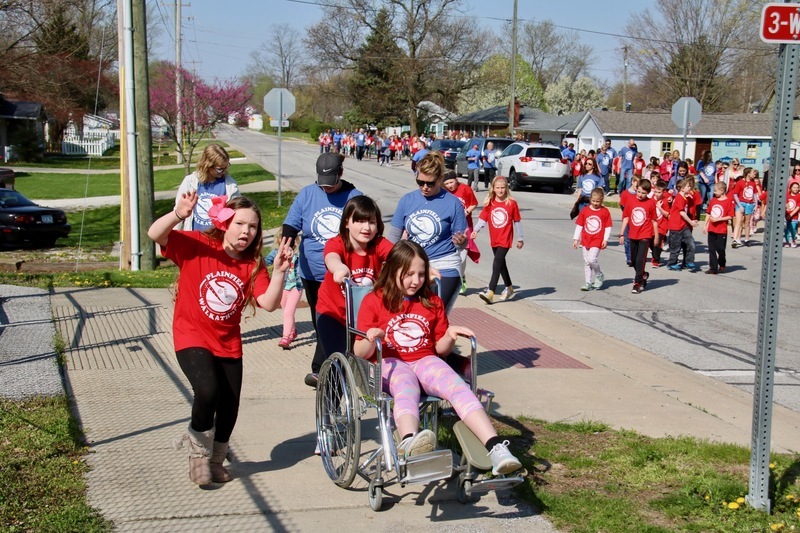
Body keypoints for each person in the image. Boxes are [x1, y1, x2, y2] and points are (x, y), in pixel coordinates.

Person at [148, 193, 291, 486]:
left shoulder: (253, 264)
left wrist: (278, 273)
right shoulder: (198, 245)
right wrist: (178, 213)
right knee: (207, 390)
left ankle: (215, 460)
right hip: (191, 335)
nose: (246, 231)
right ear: (225, 223)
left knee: (229, 405)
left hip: (228, 343)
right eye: (240, 223)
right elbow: (155, 234)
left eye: (253, 226)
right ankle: (199, 455)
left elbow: (268, 302)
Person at [353, 240, 523, 475]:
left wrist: (450, 336)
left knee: (457, 386)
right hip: (390, 362)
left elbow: (440, 350)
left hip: (425, 360)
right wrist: (373, 338)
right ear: (392, 270)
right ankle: (410, 442)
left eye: (421, 274)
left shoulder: (431, 302)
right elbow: (359, 353)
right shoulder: (374, 300)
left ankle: (496, 448)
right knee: (406, 384)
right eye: (409, 274)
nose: (416, 280)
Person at [282, 152, 363, 388]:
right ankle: (328, 367)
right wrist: (286, 246)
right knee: (320, 322)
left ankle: (324, 369)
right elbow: (291, 225)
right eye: (322, 184)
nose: (326, 188)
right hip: (312, 273)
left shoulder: (354, 197)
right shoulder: (307, 194)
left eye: (331, 183)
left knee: (337, 321)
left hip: (341, 275)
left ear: (341, 174)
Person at [314, 196, 393, 373]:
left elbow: (401, 257)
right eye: (360, 221)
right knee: (338, 363)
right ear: (347, 223)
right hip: (333, 313)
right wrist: (339, 268)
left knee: (370, 360)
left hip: (363, 316)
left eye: (371, 222)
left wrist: (423, 269)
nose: (366, 228)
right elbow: (331, 257)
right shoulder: (337, 243)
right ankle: (330, 388)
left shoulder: (378, 244)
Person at [388, 151, 467, 313]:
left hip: (444, 264)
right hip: (413, 262)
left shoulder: (453, 203)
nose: (424, 187)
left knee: (433, 313)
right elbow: (393, 238)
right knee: (410, 314)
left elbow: (462, 243)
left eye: (430, 183)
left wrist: (463, 241)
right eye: (420, 182)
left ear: (440, 179)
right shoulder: (407, 200)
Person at [471, 176, 524, 304]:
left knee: (496, 263)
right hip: (494, 238)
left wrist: (520, 238)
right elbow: (483, 219)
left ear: (507, 188)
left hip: (505, 239)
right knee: (501, 264)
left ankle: (490, 291)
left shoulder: (511, 203)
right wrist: (476, 230)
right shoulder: (490, 203)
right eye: (498, 188)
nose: (500, 190)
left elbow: (517, 221)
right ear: (493, 189)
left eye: (503, 188)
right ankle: (509, 288)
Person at [174, 144, 240, 231]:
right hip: (194, 236)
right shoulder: (190, 182)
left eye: (226, 167)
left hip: (218, 236)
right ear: (207, 165)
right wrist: (173, 234)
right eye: (220, 169)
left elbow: (237, 212)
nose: (224, 172)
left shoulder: (230, 185)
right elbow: (178, 211)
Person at [619, 178, 659, 294]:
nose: (640, 195)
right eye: (639, 192)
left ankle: (637, 283)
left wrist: (656, 236)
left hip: (645, 235)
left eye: (643, 193)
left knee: (640, 260)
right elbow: (626, 217)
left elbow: (654, 220)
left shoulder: (650, 203)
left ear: (648, 193)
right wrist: (621, 233)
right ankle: (643, 275)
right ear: (636, 189)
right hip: (633, 234)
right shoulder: (630, 201)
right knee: (633, 260)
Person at [265, 228, 303, 349]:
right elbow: (266, 262)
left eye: (292, 240)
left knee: (288, 312)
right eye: (284, 240)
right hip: (282, 287)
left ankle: (286, 337)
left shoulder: (299, 253)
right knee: (286, 311)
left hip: (296, 287)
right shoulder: (276, 253)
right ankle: (292, 330)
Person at [442, 170, 478, 295]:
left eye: (451, 182)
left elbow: (474, 203)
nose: (449, 185)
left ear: (456, 180)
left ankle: (461, 277)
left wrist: (465, 212)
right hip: (449, 228)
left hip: (465, 227)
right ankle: (454, 280)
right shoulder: (444, 192)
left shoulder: (465, 189)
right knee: (451, 256)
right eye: (447, 183)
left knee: (462, 258)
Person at [573, 187, 612, 291]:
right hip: (586, 239)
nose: (595, 203)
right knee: (586, 262)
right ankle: (588, 282)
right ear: (590, 199)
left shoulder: (605, 211)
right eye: (593, 201)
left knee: (591, 259)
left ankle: (599, 274)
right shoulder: (585, 211)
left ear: (602, 200)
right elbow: (579, 225)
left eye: (597, 201)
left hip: (597, 239)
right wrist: (576, 239)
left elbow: (608, 227)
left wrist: (605, 239)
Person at [666, 177, 700, 271]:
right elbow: (682, 212)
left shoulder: (685, 198)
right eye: (688, 186)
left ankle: (689, 261)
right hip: (676, 226)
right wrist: (691, 222)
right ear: (682, 188)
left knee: (690, 243)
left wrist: (692, 220)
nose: (689, 188)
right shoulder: (679, 198)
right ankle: (672, 263)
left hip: (683, 225)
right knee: (676, 246)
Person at [703, 182, 734, 274]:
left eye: (716, 191)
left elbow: (730, 216)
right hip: (712, 228)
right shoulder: (713, 200)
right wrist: (705, 225)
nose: (714, 192)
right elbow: (708, 213)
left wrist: (718, 219)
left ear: (722, 191)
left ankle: (722, 263)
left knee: (720, 248)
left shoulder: (728, 201)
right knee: (711, 249)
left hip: (721, 230)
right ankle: (713, 268)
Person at [731, 167, 757, 248]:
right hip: (741, 203)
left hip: (749, 204)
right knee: (739, 221)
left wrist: (756, 204)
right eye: (753, 172)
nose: (754, 174)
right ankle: (735, 239)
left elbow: (754, 194)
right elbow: (735, 194)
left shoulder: (753, 183)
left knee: (747, 222)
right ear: (748, 174)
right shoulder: (740, 182)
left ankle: (746, 239)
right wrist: (739, 205)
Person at [785, 182, 800, 248]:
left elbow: (798, 207)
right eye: (794, 187)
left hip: (794, 216)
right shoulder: (787, 195)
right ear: (790, 188)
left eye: (797, 187)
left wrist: (790, 215)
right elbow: (785, 203)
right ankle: (787, 242)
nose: (796, 189)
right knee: (786, 230)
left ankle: (793, 241)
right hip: (786, 215)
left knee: (793, 229)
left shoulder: (799, 196)